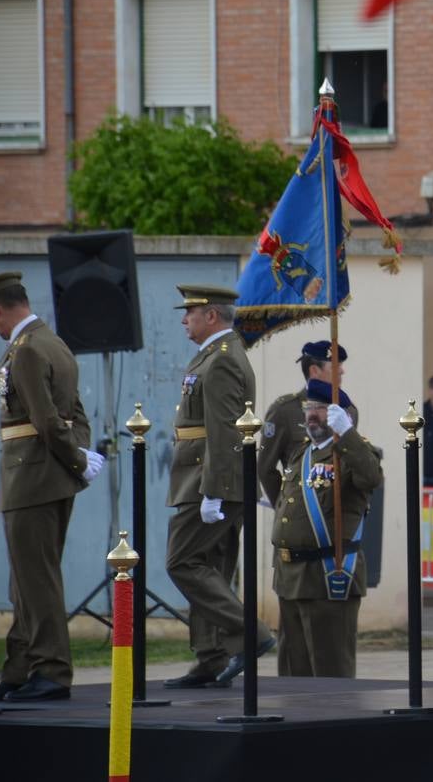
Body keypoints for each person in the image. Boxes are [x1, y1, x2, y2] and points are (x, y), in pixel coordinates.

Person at [0, 272, 103, 702]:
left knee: (36, 580)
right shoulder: (52, 343)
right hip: (47, 475)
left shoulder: (28, 350)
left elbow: (47, 420)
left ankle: (51, 671)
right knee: (25, 580)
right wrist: (81, 460)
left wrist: (76, 460)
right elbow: (76, 415)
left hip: (31, 477)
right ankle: (20, 668)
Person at [163, 285, 274, 689]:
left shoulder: (223, 360)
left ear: (211, 315)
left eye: (190, 312)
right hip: (207, 478)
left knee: (182, 562)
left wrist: (213, 490)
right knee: (209, 568)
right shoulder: (214, 355)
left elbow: (225, 430)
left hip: (208, 480)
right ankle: (212, 657)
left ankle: (251, 635)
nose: (183, 320)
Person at [272, 381, 383, 677]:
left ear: (339, 414)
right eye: (309, 407)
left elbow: (371, 478)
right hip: (291, 578)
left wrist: (347, 435)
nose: (312, 414)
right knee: (292, 674)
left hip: (327, 574)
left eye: (320, 408)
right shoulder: (301, 455)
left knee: (330, 672)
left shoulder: (351, 452)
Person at [259, 340, 351, 505]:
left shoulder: (349, 410)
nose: (342, 371)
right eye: (335, 367)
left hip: (336, 511)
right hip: (301, 509)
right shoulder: (284, 411)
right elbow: (265, 468)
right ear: (314, 370)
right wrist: (285, 505)